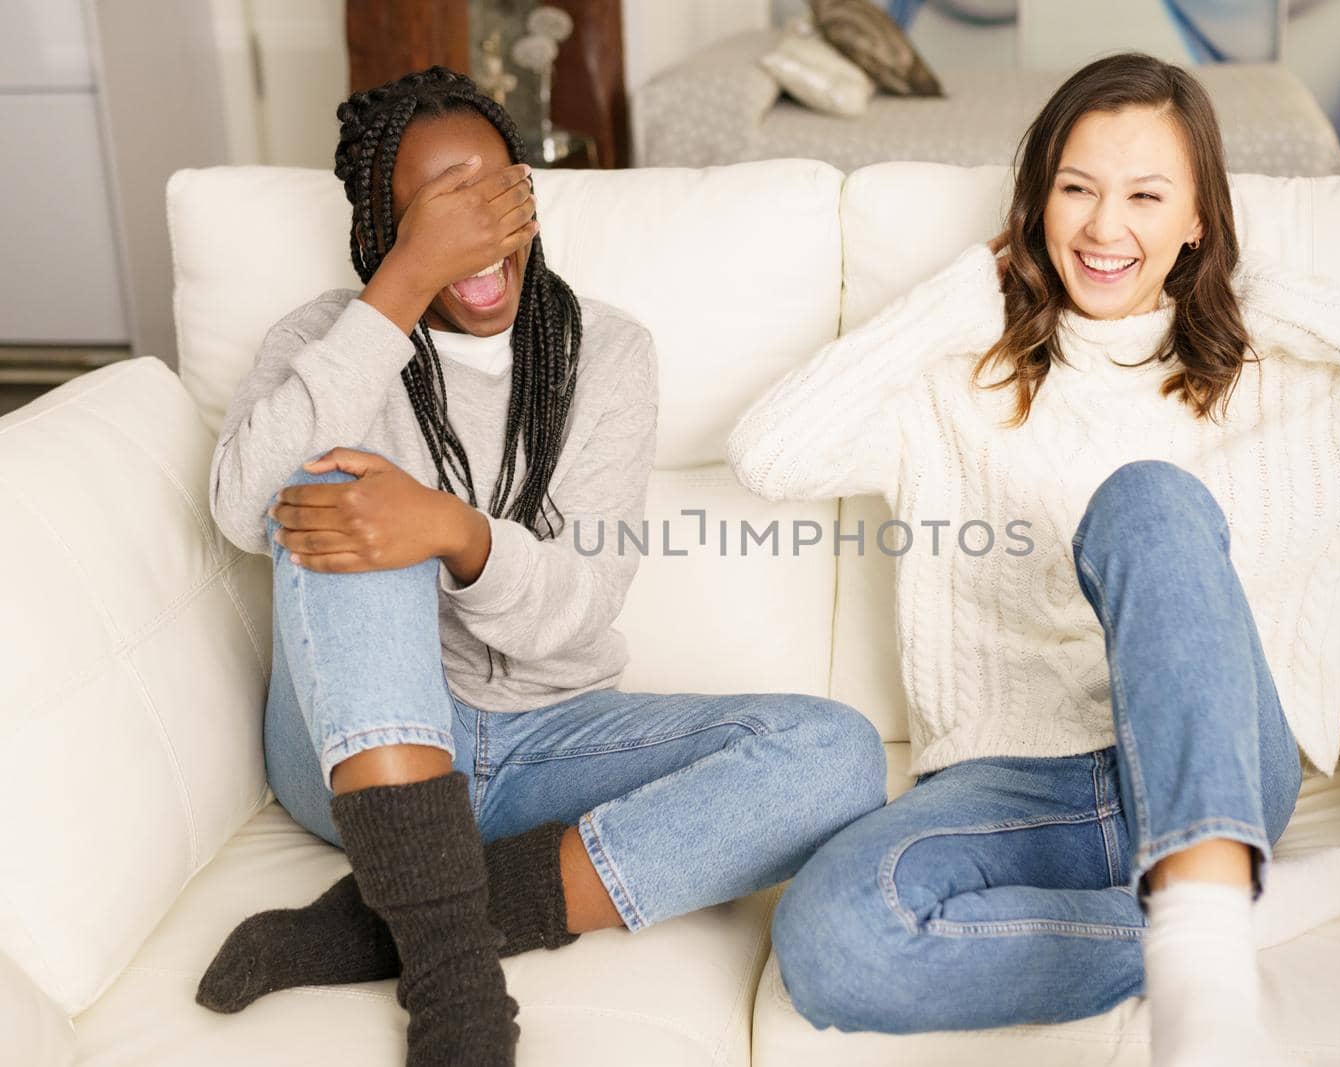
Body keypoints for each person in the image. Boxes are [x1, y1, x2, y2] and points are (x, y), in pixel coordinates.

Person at [727, 52, 1340, 1066]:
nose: (1104, 228)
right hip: (1014, 781)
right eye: (1075, 189)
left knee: (1146, 498)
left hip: (1219, 767)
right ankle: (1237, 905)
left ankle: (1205, 966)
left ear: (1198, 218)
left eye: (1146, 196)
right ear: (1036, 203)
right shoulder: (956, 382)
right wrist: (956, 300)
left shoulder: (1280, 380)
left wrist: (1275, 303)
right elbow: (765, 455)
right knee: (830, 940)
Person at [196, 66, 886, 1066]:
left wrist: (455, 531)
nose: (474, 236)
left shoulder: (605, 352)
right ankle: (453, 985)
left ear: (527, 193)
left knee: (839, 755)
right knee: (343, 492)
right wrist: (397, 294)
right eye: (436, 215)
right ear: (384, 231)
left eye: (492, 197)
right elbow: (238, 507)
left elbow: (583, 604)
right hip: (353, 753)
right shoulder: (326, 343)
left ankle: (381, 920)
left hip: (542, 742)